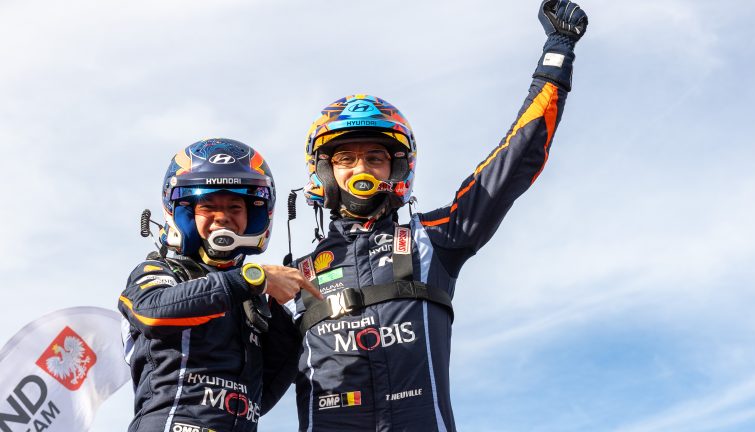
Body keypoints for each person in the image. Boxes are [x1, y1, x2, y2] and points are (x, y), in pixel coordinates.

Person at [289, 1, 588, 430]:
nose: (361, 169)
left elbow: (512, 165)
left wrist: (556, 56)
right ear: (323, 172)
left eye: (375, 158)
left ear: (398, 169)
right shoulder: (293, 278)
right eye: (345, 159)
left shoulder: (434, 238)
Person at [118, 138, 321, 432]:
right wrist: (252, 279)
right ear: (185, 214)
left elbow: (260, 399)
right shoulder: (159, 271)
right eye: (208, 206)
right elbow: (152, 313)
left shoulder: (255, 302)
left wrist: (290, 322)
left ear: (254, 216)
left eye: (235, 207)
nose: (223, 217)